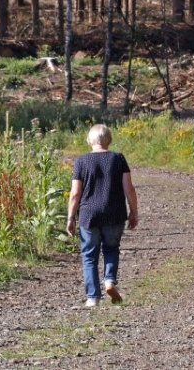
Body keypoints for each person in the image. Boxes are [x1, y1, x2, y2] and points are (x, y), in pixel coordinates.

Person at [66, 124, 139, 307]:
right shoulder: (118, 159)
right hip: (114, 212)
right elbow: (128, 188)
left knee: (89, 255)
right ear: (109, 140)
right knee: (111, 248)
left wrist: (70, 217)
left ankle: (92, 298)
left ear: (90, 140)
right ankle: (109, 281)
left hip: (89, 214)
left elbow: (75, 193)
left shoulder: (82, 161)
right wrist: (134, 211)